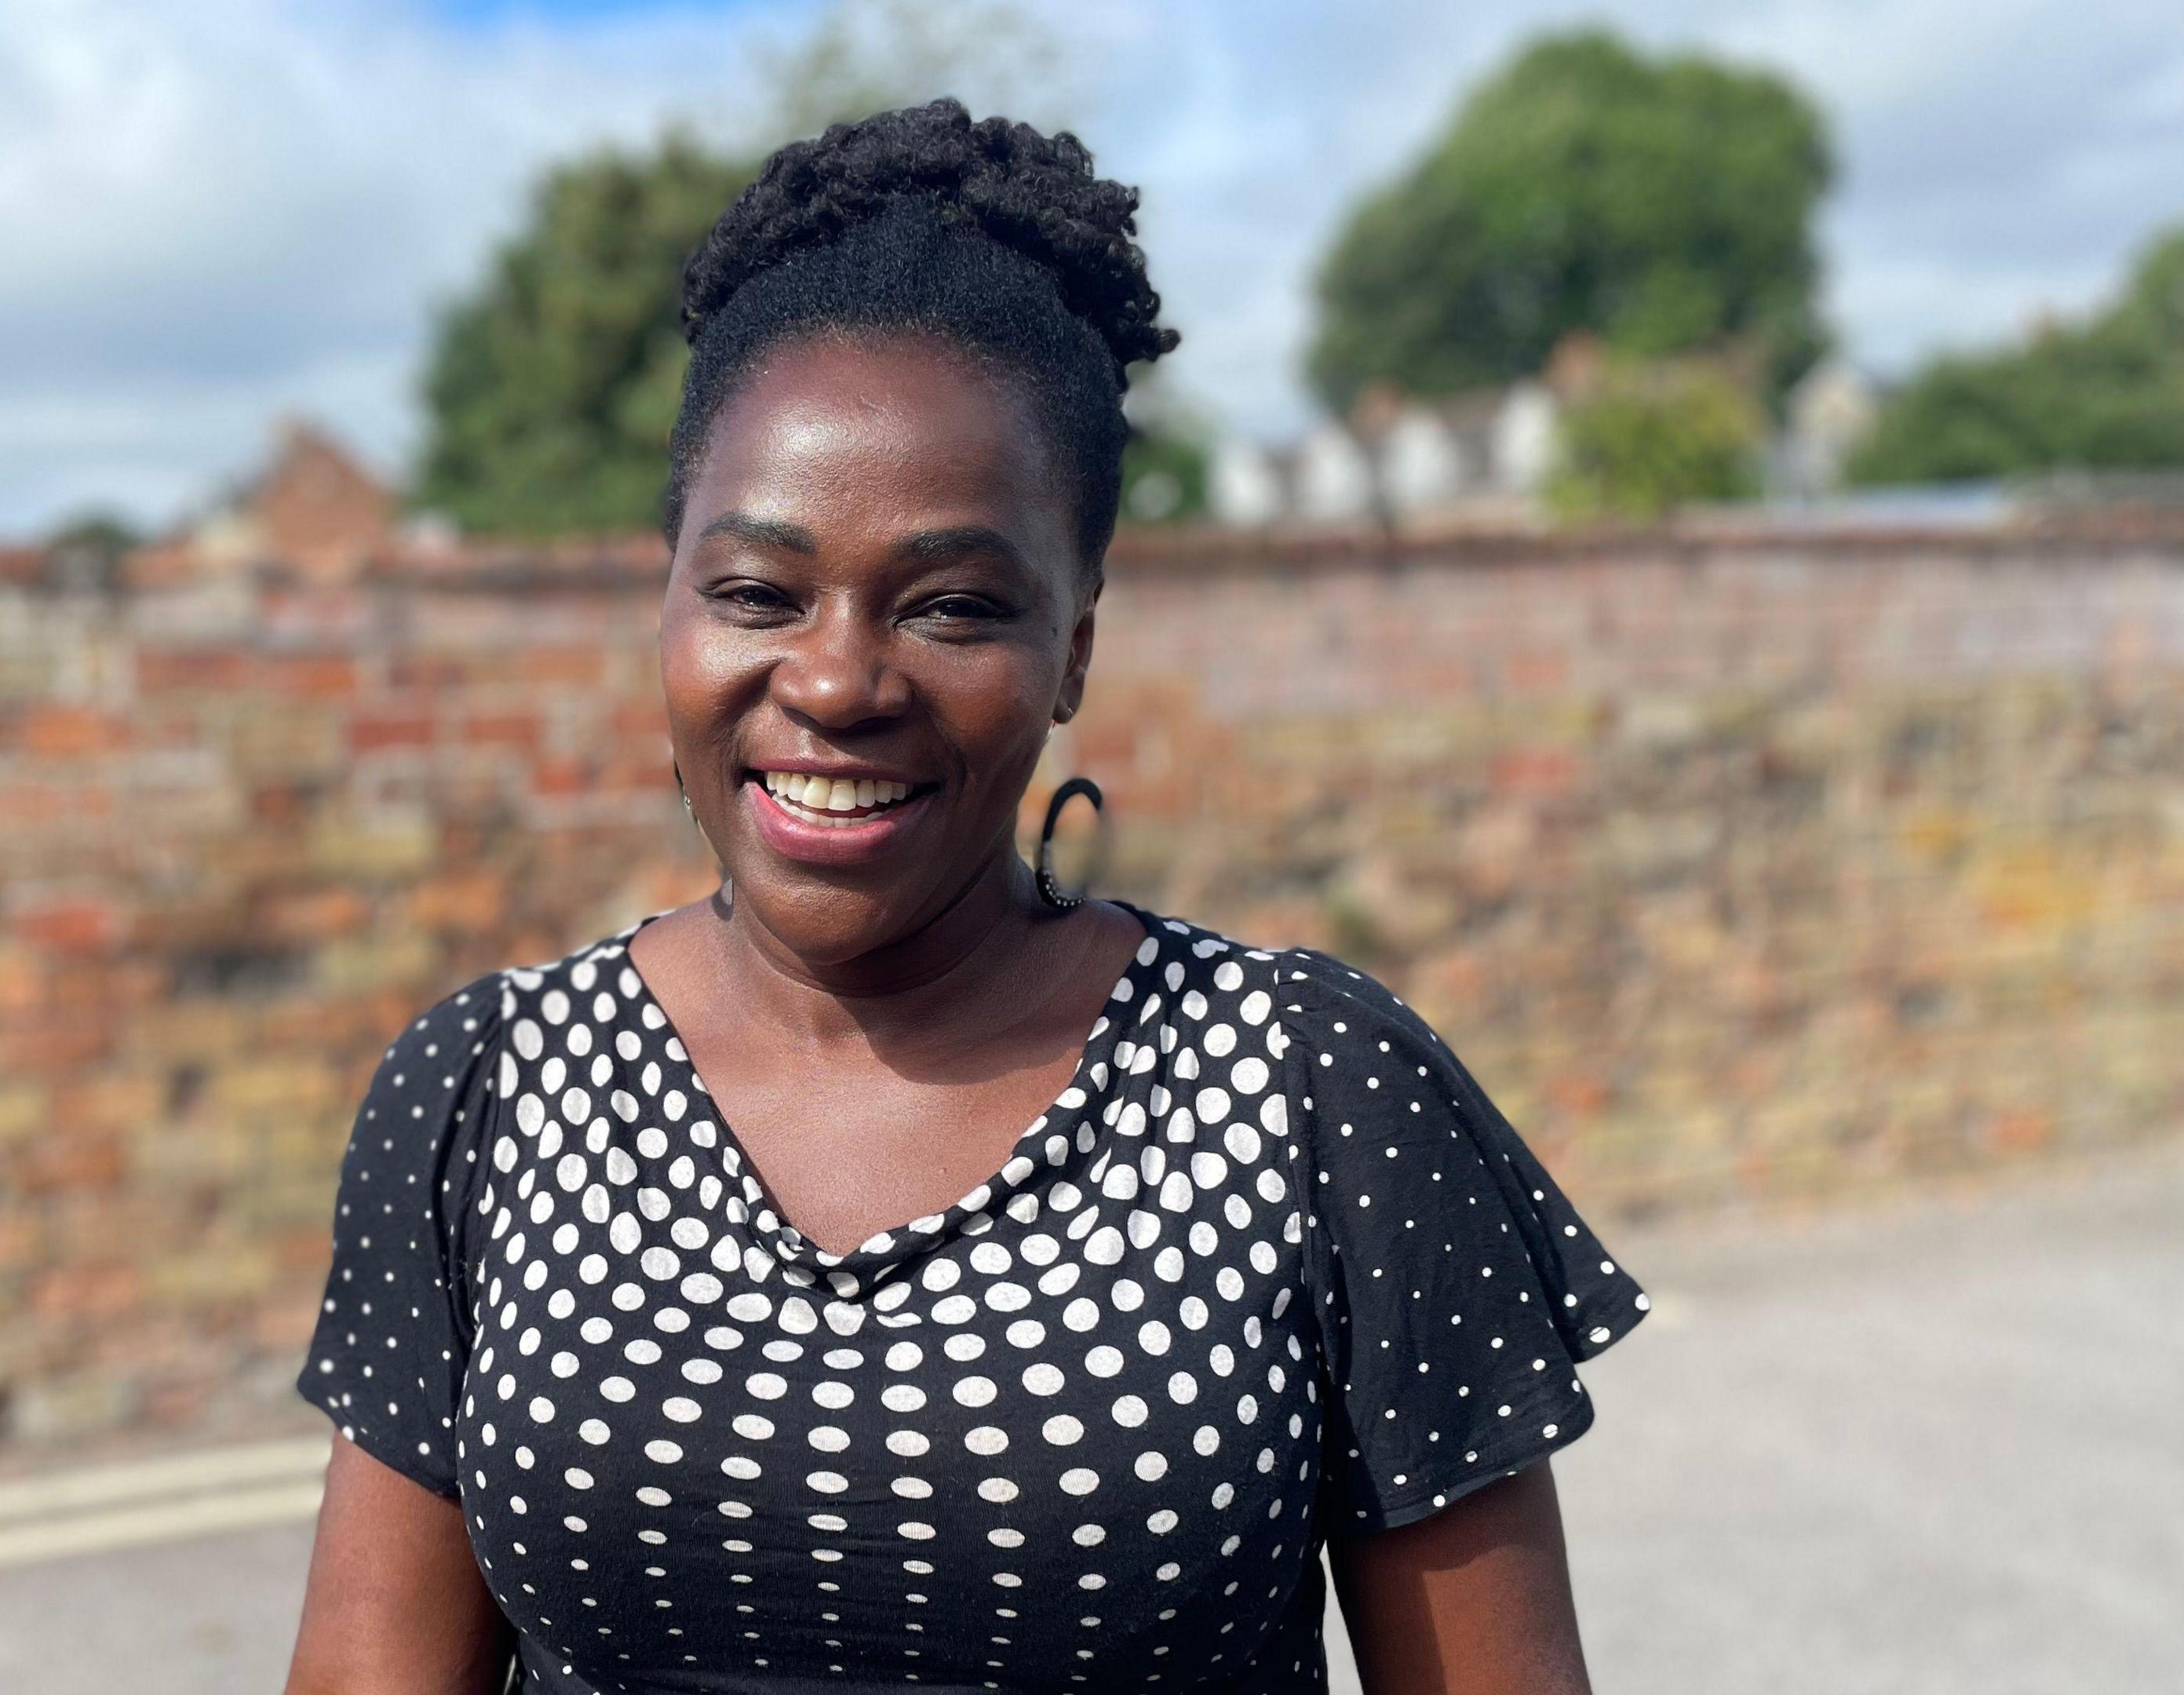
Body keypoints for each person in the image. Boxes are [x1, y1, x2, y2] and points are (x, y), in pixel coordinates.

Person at [284, 100, 1645, 1695]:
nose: (840, 678)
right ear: (666, 602)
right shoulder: (483, 1093)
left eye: (953, 604)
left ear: (1074, 644)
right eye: (755, 591)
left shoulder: (1316, 1096)